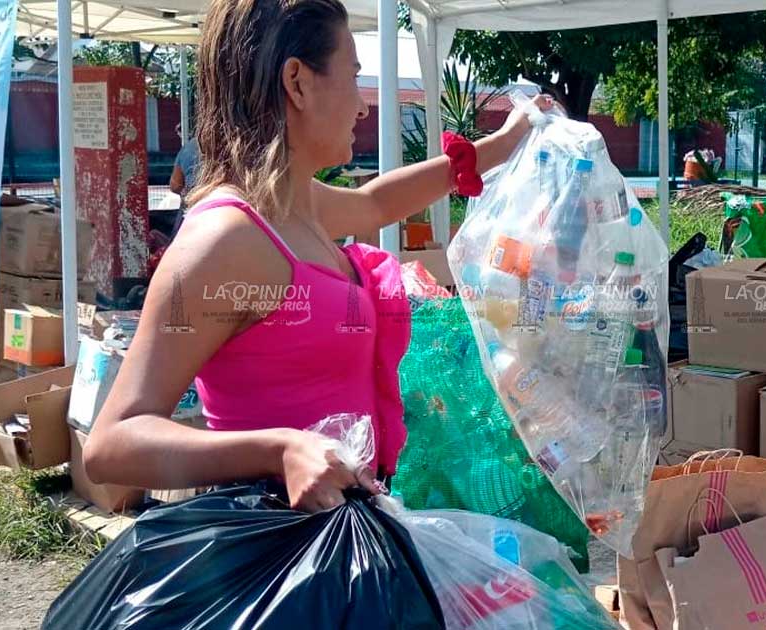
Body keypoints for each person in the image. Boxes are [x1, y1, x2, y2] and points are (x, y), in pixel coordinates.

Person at [83, 0, 554, 513]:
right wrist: (278, 450)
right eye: (352, 74)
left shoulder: (295, 204)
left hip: (343, 538)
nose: (362, 106)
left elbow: (377, 201)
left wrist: (504, 144)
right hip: (277, 562)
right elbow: (111, 445)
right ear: (298, 82)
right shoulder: (225, 240)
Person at [169, 125, 201, 202]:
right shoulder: (229, 147)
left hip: (192, 204)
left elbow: (175, 185)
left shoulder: (187, 148)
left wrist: (187, 194)